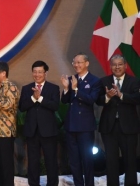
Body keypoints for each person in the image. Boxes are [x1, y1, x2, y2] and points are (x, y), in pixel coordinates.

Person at [96, 54, 140, 186]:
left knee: (130, 160)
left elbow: (137, 98)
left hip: (129, 127)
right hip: (109, 127)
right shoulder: (104, 81)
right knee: (111, 161)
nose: (117, 67)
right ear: (110, 67)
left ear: (125, 66)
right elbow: (98, 100)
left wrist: (121, 95)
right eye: (114, 64)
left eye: (120, 64)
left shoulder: (134, 81)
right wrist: (107, 97)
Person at [60, 53, 101, 186]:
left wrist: (76, 89)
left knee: (87, 159)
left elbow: (91, 100)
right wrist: (66, 89)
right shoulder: (72, 79)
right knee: (74, 160)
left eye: (79, 62)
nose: (76, 65)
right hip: (71, 126)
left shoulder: (95, 81)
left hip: (85, 127)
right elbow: (64, 101)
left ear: (87, 63)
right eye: (74, 62)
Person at [19, 61, 60, 186]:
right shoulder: (27, 88)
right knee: (33, 162)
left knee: (51, 162)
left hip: (48, 131)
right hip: (32, 131)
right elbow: (22, 107)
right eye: (35, 72)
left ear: (45, 73)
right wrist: (33, 98)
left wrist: (40, 98)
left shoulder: (53, 88)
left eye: (40, 72)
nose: (37, 74)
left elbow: (55, 106)